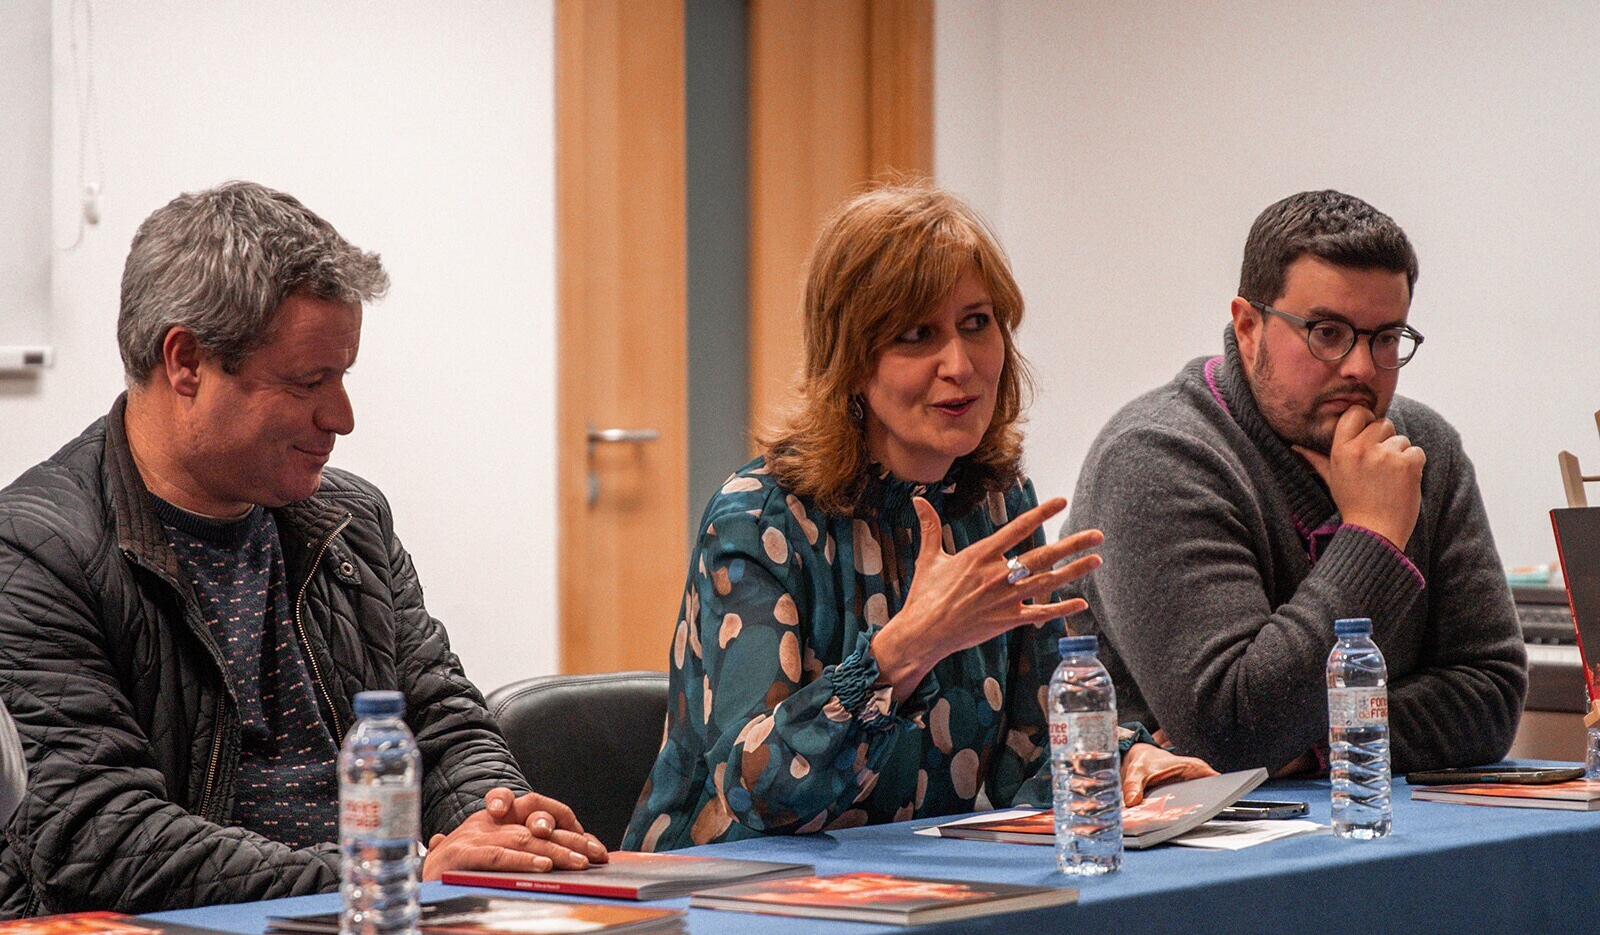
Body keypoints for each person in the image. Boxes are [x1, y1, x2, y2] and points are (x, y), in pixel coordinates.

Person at [0, 182, 606, 916]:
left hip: (371, 915)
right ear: (186, 362)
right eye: (309, 381)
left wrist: (498, 822)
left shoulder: (353, 520)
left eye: (342, 377)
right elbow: (103, 839)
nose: (341, 417)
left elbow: (441, 720)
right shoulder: (34, 553)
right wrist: (393, 872)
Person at [623, 183, 1214, 852]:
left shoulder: (996, 501)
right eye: (915, 335)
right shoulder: (758, 518)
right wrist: (904, 649)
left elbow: (1031, 750)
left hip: (918, 882)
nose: (959, 365)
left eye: (976, 323)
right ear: (851, 360)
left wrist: (1124, 758)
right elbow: (758, 792)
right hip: (723, 889)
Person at [1066, 189, 1527, 775]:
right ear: (1248, 327)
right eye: (1327, 332)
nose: (1361, 368)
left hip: (1370, 817)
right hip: (1167, 831)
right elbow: (1231, 727)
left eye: (1386, 337)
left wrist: (1311, 748)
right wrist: (1373, 536)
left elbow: (1491, 695)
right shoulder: (1156, 457)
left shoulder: (1423, 448)